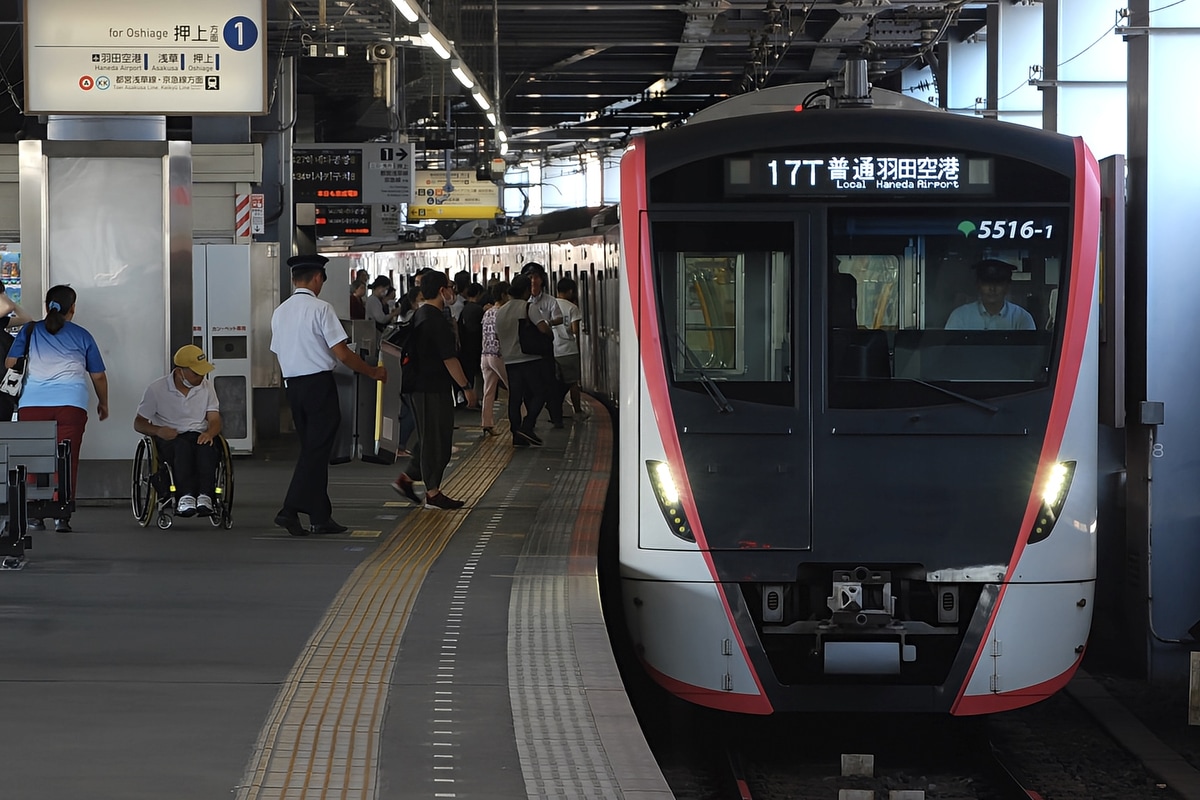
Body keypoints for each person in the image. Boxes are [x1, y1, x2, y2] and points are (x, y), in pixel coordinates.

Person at [270, 253, 387, 536]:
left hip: (293, 388)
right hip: (318, 387)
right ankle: (289, 509)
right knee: (316, 451)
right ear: (317, 278)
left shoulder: (280, 311)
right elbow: (342, 353)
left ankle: (320, 516)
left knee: (314, 450)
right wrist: (372, 372)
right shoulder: (321, 309)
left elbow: (277, 350)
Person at [4, 285, 108, 533]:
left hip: (33, 405)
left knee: (33, 458)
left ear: (47, 305)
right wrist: (104, 402)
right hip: (71, 405)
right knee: (67, 458)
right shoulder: (82, 335)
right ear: (72, 309)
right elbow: (99, 376)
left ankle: (34, 514)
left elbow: (10, 362)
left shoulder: (30, 331)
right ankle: (62, 514)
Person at [391, 271, 476, 510]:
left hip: (423, 387)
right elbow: (449, 358)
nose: (452, 292)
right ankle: (433, 493)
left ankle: (408, 480)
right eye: (450, 287)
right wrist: (466, 388)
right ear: (442, 290)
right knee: (435, 439)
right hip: (429, 388)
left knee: (432, 435)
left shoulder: (422, 314)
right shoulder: (434, 319)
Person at [133, 345, 223, 517]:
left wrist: (210, 433)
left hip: (198, 433)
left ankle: (205, 495)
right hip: (169, 437)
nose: (201, 377)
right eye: (196, 373)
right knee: (181, 448)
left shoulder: (207, 387)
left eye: (202, 372)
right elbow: (139, 423)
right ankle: (185, 496)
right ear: (180, 372)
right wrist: (158, 430)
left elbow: (215, 419)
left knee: (207, 447)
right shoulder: (156, 389)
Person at [496, 273, 550, 448]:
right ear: (526, 290)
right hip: (529, 358)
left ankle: (516, 435)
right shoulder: (528, 308)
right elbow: (543, 328)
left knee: (515, 398)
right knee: (541, 392)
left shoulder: (500, 311)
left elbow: (498, 336)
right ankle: (527, 425)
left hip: (510, 360)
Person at [521, 262, 563, 428]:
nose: (533, 281)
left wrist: (546, 323)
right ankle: (529, 420)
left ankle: (556, 418)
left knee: (550, 386)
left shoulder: (550, 301)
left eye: (536, 277)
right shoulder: (523, 303)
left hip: (545, 350)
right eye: (529, 277)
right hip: (527, 352)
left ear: (542, 280)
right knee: (529, 389)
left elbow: (559, 318)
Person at [944, 259, 1036, 331]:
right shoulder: (960, 316)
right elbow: (951, 352)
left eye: (998, 283)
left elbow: (1029, 353)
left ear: (1007, 287)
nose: (992, 288)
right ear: (978, 285)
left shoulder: (1022, 318)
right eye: (986, 283)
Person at [552, 276, 589, 420]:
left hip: (554, 350)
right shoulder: (572, 308)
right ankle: (578, 412)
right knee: (573, 383)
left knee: (557, 385)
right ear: (570, 291)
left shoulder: (551, 305)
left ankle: (557, 412)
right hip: (569, 351)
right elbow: (575, 330)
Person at [479, 281, 509, 435]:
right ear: (504, 295)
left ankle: (487, 423)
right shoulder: (503, 312)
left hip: (485, 355)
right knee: (515, 389)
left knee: (488, 391)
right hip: (498, 355)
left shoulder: (488, 312)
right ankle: (522, 420)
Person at [457, 282, 485, 408]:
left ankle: (466, 399)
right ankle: (474, 399)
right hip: (476, 346)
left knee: (469, 372)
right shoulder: (479, 309)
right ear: (478, 294)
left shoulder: (465, 308)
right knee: (476, 374)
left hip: (465, 345)